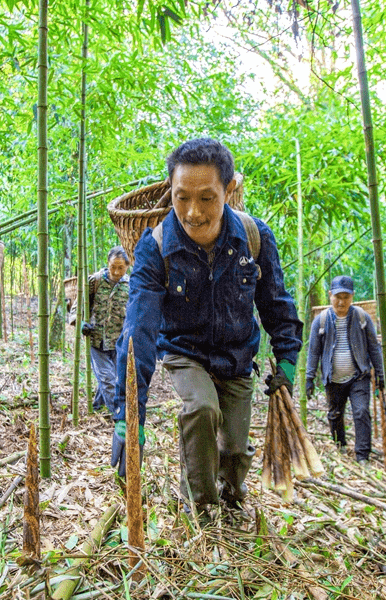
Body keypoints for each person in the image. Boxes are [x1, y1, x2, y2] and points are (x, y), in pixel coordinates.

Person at [113, 138, 303, 514]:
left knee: (234, 450)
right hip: (185, 351)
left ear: (228, 190)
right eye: (182, 197)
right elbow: (139, 328)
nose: (193, 212)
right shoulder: (156, 245)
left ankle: (230, 497)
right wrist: (128, 412)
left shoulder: (255, 237)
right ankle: (198, 506)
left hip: (236, 357)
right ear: (170, 190)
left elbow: (276, 303)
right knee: (201, 409)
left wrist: (287, 361)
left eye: (206, 198)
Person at [305, 276, 384, 464]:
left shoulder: (361, 317)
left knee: (361, 412)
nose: (341, 302)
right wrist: (309, 378)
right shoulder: (321, 320)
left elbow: (374, 347)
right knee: (335, 414)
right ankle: (340, 445)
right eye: (337, 297)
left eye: (346, 297)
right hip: (333, 378)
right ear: (330, 295)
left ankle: (362, 455)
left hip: (359, 376)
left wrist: (381, 374)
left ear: (352, 297)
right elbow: (313, 352)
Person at [80, 246, 131, 413]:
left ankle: (97, 406)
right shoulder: (95, 281)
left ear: (127, 266)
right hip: (97, 339)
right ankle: (118, 414)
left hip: (119, 341)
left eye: (120, 268)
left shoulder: (131, 285)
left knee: (118, 379)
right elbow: (77, 306)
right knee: (108, 379)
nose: (116, 272)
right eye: (112, 267)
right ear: (107, 264)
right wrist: (80, 323)